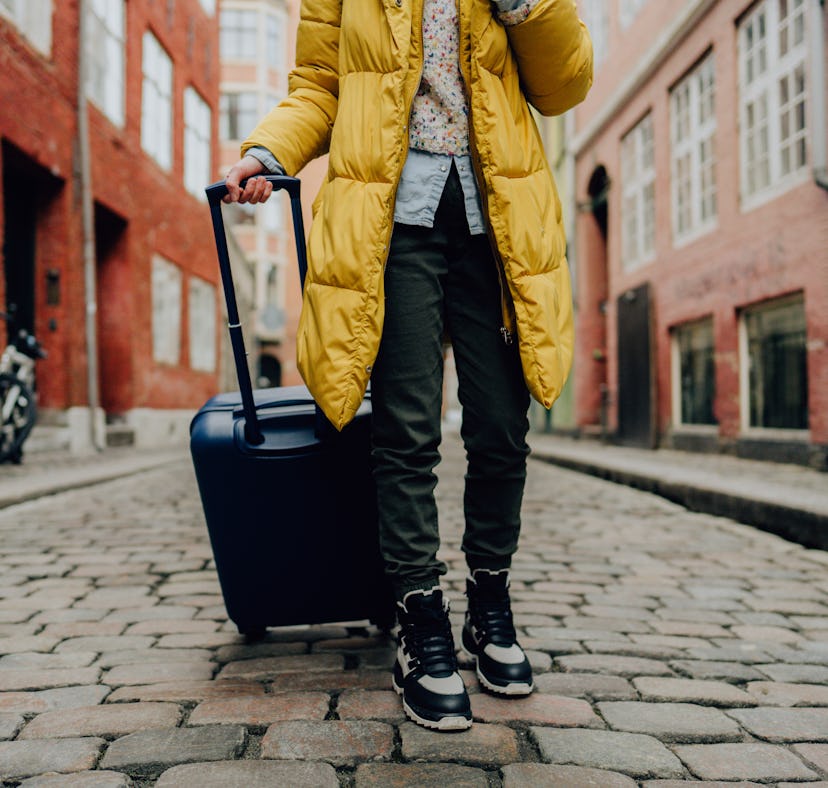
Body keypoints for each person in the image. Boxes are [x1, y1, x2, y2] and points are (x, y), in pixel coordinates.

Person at [224, 0, 593, 731]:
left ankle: (490, 602)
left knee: (499, 424)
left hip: (498, 216)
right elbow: (320, 86)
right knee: (408, 427)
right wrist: (268, 152)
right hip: (393, 218)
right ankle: (419, 615)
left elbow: (564, 84)